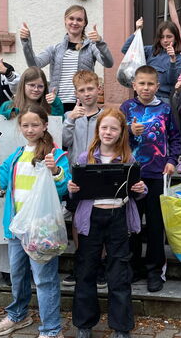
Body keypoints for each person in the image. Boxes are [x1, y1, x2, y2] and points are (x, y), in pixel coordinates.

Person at [0, 105, 70, 338]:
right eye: (25, 125)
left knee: (44, 280)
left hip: (42, 230)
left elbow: (63, 189)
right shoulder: (16, 156)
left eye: (35, 125)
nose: (30, 129)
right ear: (20, 127)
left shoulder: (56, 155)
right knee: (18, 276)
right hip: (17, 228)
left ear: (45, 126)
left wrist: (55, 172)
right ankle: (18, 315)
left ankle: (52, 329)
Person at [69, 108, 145, 338]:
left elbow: (138, 190)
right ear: (97, 130)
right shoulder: (85, 158)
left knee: (119, 272)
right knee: (86, 270)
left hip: (118, 218)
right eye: (104, 127)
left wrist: (141, 189)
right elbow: (76, 192)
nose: (108, 132)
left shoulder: (128, 159)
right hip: (91, 219)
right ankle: (84, 325)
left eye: (114, 128)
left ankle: (121, 327)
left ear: (121, 132)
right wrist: (72, 190)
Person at [120, 66, 181, 292]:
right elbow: (114, 136)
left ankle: (155, 271)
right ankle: (133, 268)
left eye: (150, 84)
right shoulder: (126, 108)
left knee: (156, 226)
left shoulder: (165, 109)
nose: (146, 88)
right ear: (134, 85)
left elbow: (175, 138)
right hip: (131, 175)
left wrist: (172, 160)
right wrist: (129, 131)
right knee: (132, 225)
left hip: (157, 175)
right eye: (141, 83)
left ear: (157, 86)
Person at [20, 5, 114, 112]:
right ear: (65, 21)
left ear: (84, 23)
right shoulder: (55, 49)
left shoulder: (91, 47)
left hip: (81, 104)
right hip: (57, 104)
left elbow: (108, 63)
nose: (75, 22)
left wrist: (100, 43)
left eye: (79, 20)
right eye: (71, 18)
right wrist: (26, 41)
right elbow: (35, 65)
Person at [61, 69, 105, 287]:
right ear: (76, 94)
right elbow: (63, 142)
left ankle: (99, 265)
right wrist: (70, 120)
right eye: (82, 90)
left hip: (99, 174)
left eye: (90, 89)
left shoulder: (105, 116)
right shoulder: (71, 117)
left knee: (99, 219)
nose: (87, 94)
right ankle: (81, 262)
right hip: (77, 175)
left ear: (98, 89)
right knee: (78, 221)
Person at [121, 18, 181, 104]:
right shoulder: (150, 50)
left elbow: (172, 81)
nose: (165, 40)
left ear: (175, 38)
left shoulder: (179, 58)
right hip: (144, 96)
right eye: (162, 37)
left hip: (163, 99)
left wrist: (172, 60)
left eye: (169, 37)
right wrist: (137, 31)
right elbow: (126, 50)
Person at [0, 66, 64, 119]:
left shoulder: (51, 107)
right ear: (23, 85)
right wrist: (9, 114)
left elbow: (58, 128)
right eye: (32, 85)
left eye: (40, 86)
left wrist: (56, 104)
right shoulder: (7, 106)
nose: (36, 89)